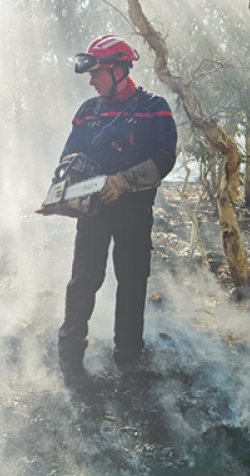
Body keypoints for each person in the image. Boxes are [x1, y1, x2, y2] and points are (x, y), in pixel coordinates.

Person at [57, 35, 177, 379]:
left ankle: (128, 356)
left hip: (134, 213)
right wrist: (76, 172)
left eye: (97, 74)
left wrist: (123, 180)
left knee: (133, 279)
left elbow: (164, 158)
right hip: (93, 213)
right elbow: (68, 154)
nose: (92, 82)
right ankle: (70, 353)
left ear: (120, 71)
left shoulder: (155, 108)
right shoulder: (87, 112)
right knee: (84, 279)